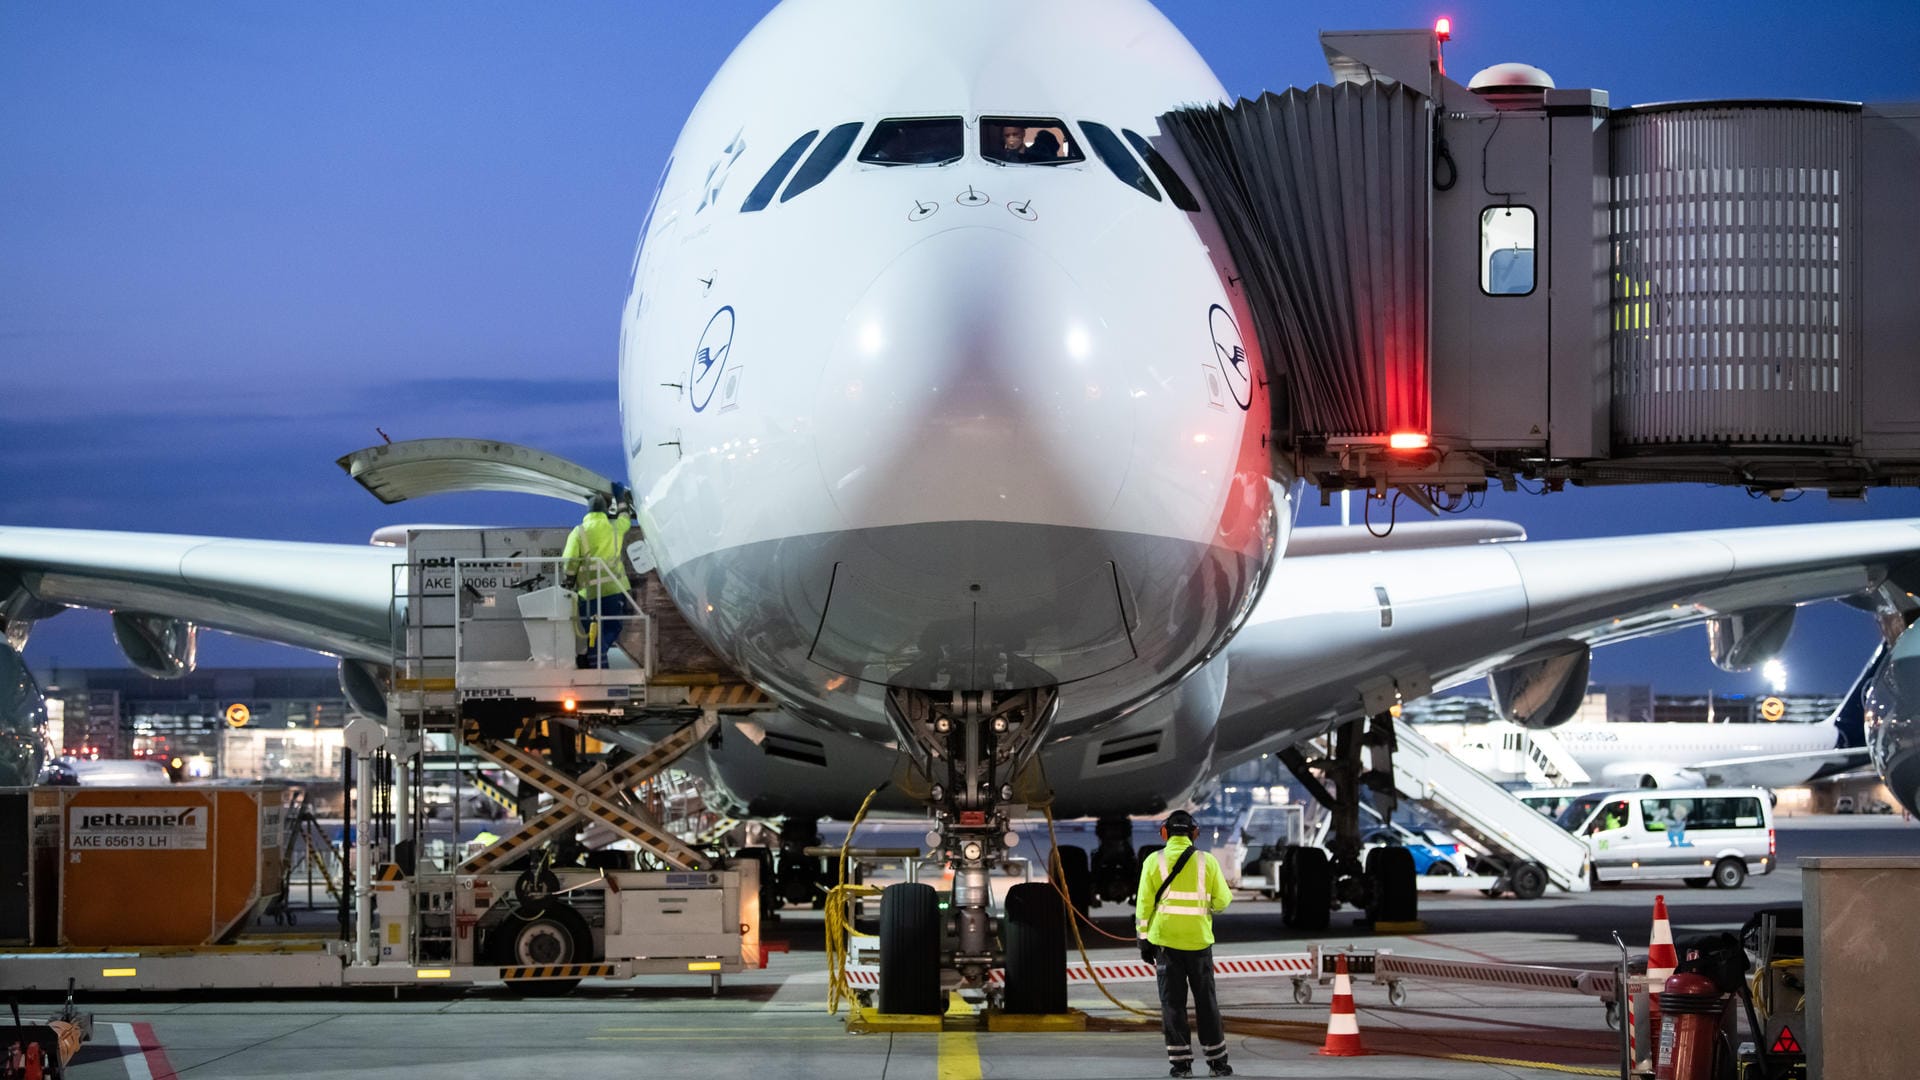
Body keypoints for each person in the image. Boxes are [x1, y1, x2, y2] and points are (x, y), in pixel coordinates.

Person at [1136, 809, 1233, 1077]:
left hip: (1166, 944)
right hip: (1199, 944)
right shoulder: (1208, 861)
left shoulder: (1153, 861)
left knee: (1173, 1004)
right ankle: (1218, 1063)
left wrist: (1144, 941)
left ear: (1165, 833)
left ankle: (1181, 1066)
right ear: (1194, 834)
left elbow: (1143, 905)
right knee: (1206, 1002)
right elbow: (1223, 902)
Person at [562, 486, 634, 668]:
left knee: (592, 632)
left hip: (590, 594)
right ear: (604, 511)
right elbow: (625, 515)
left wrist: (569, 582)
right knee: (614, 627)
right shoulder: (615, 527)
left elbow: (569, 561)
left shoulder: (579, 532)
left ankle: (594, 659)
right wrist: (619, 496)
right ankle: (596, 657)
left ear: (589, 511)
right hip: (614, 590)